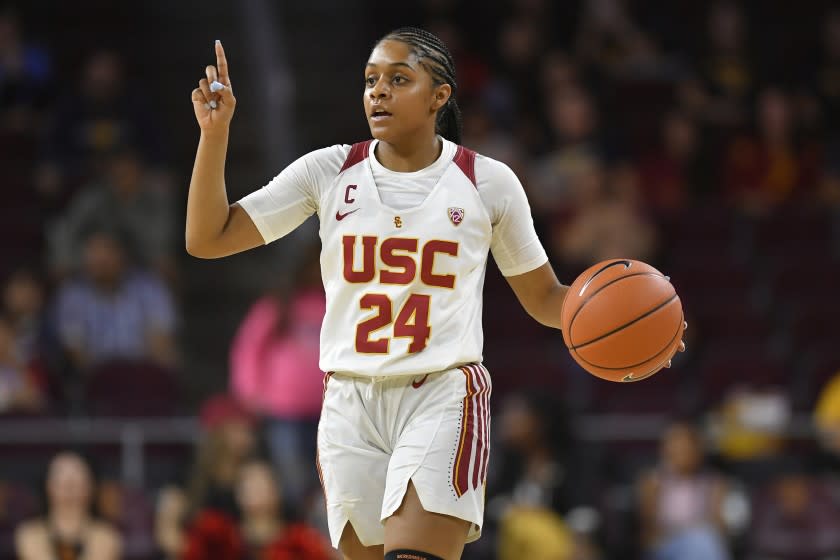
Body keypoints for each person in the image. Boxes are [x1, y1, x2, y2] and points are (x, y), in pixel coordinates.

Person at [185, 29, 686, 560]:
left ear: (439, 95)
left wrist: (642, 327)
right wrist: (214, 134)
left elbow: (544, 297)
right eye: (371, 80)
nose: (378, 91)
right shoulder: (328, 170)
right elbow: (208, 237)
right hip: (348, 401)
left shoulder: (487, 183)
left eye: (398, 79)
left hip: (440, 395)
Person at [230, 243, 326, 512]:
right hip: (284, 410)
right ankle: (295, 535)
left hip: (329, 408)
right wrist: (249, 392)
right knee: (291, 478)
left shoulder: (336, 302)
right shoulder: (279, 304)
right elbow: (248, 347)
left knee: (328, 479)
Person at [182, 460, 333, 560]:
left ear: (277, 490)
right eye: (248, 484)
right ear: (237, 494)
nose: (256, 489)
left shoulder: (300, 541)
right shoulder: (219, 538)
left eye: (262, 482)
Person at [14, 451, 122, 560]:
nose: (69, 485)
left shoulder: (107, 535)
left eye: (76, 480)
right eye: (61, 478)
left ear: (91, 486)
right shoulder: (29, 533)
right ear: (47, 485)